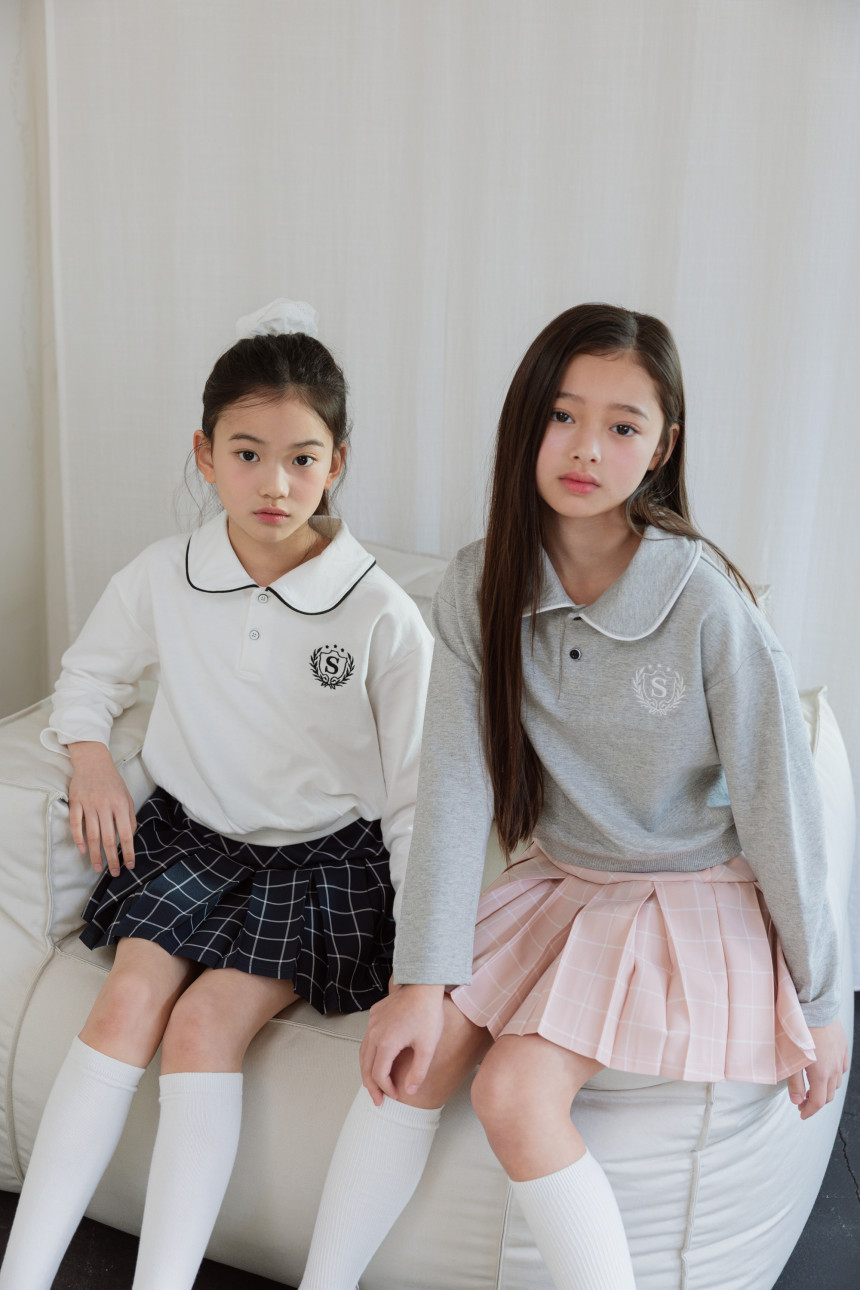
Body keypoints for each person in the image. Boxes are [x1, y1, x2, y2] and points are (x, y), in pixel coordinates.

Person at [298, 302, 849, 1290]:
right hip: (563, 879)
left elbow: (781, 801)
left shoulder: (705, 602)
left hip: (684, 892)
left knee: (514, 1092)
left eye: (621, 426)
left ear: (662, 447)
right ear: (526, 421)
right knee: (408, 1064)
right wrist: (417, 983)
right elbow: (454, 786)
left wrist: (822, 1000)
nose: (586, 447)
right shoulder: (478, 585)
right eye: (561, 415)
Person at [0, 299, 432, 1290]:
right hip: (193, 842)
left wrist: (421, 958)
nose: (274, 483)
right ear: (204, 456)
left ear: (337, 463)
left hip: (322, 867)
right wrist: (90, 759)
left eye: (301, 458)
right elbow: (88, 677)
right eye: (247, 454)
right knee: (126, 1002)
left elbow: (417, 794)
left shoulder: (378, 613)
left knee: (202, 1028)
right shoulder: (165, 574)